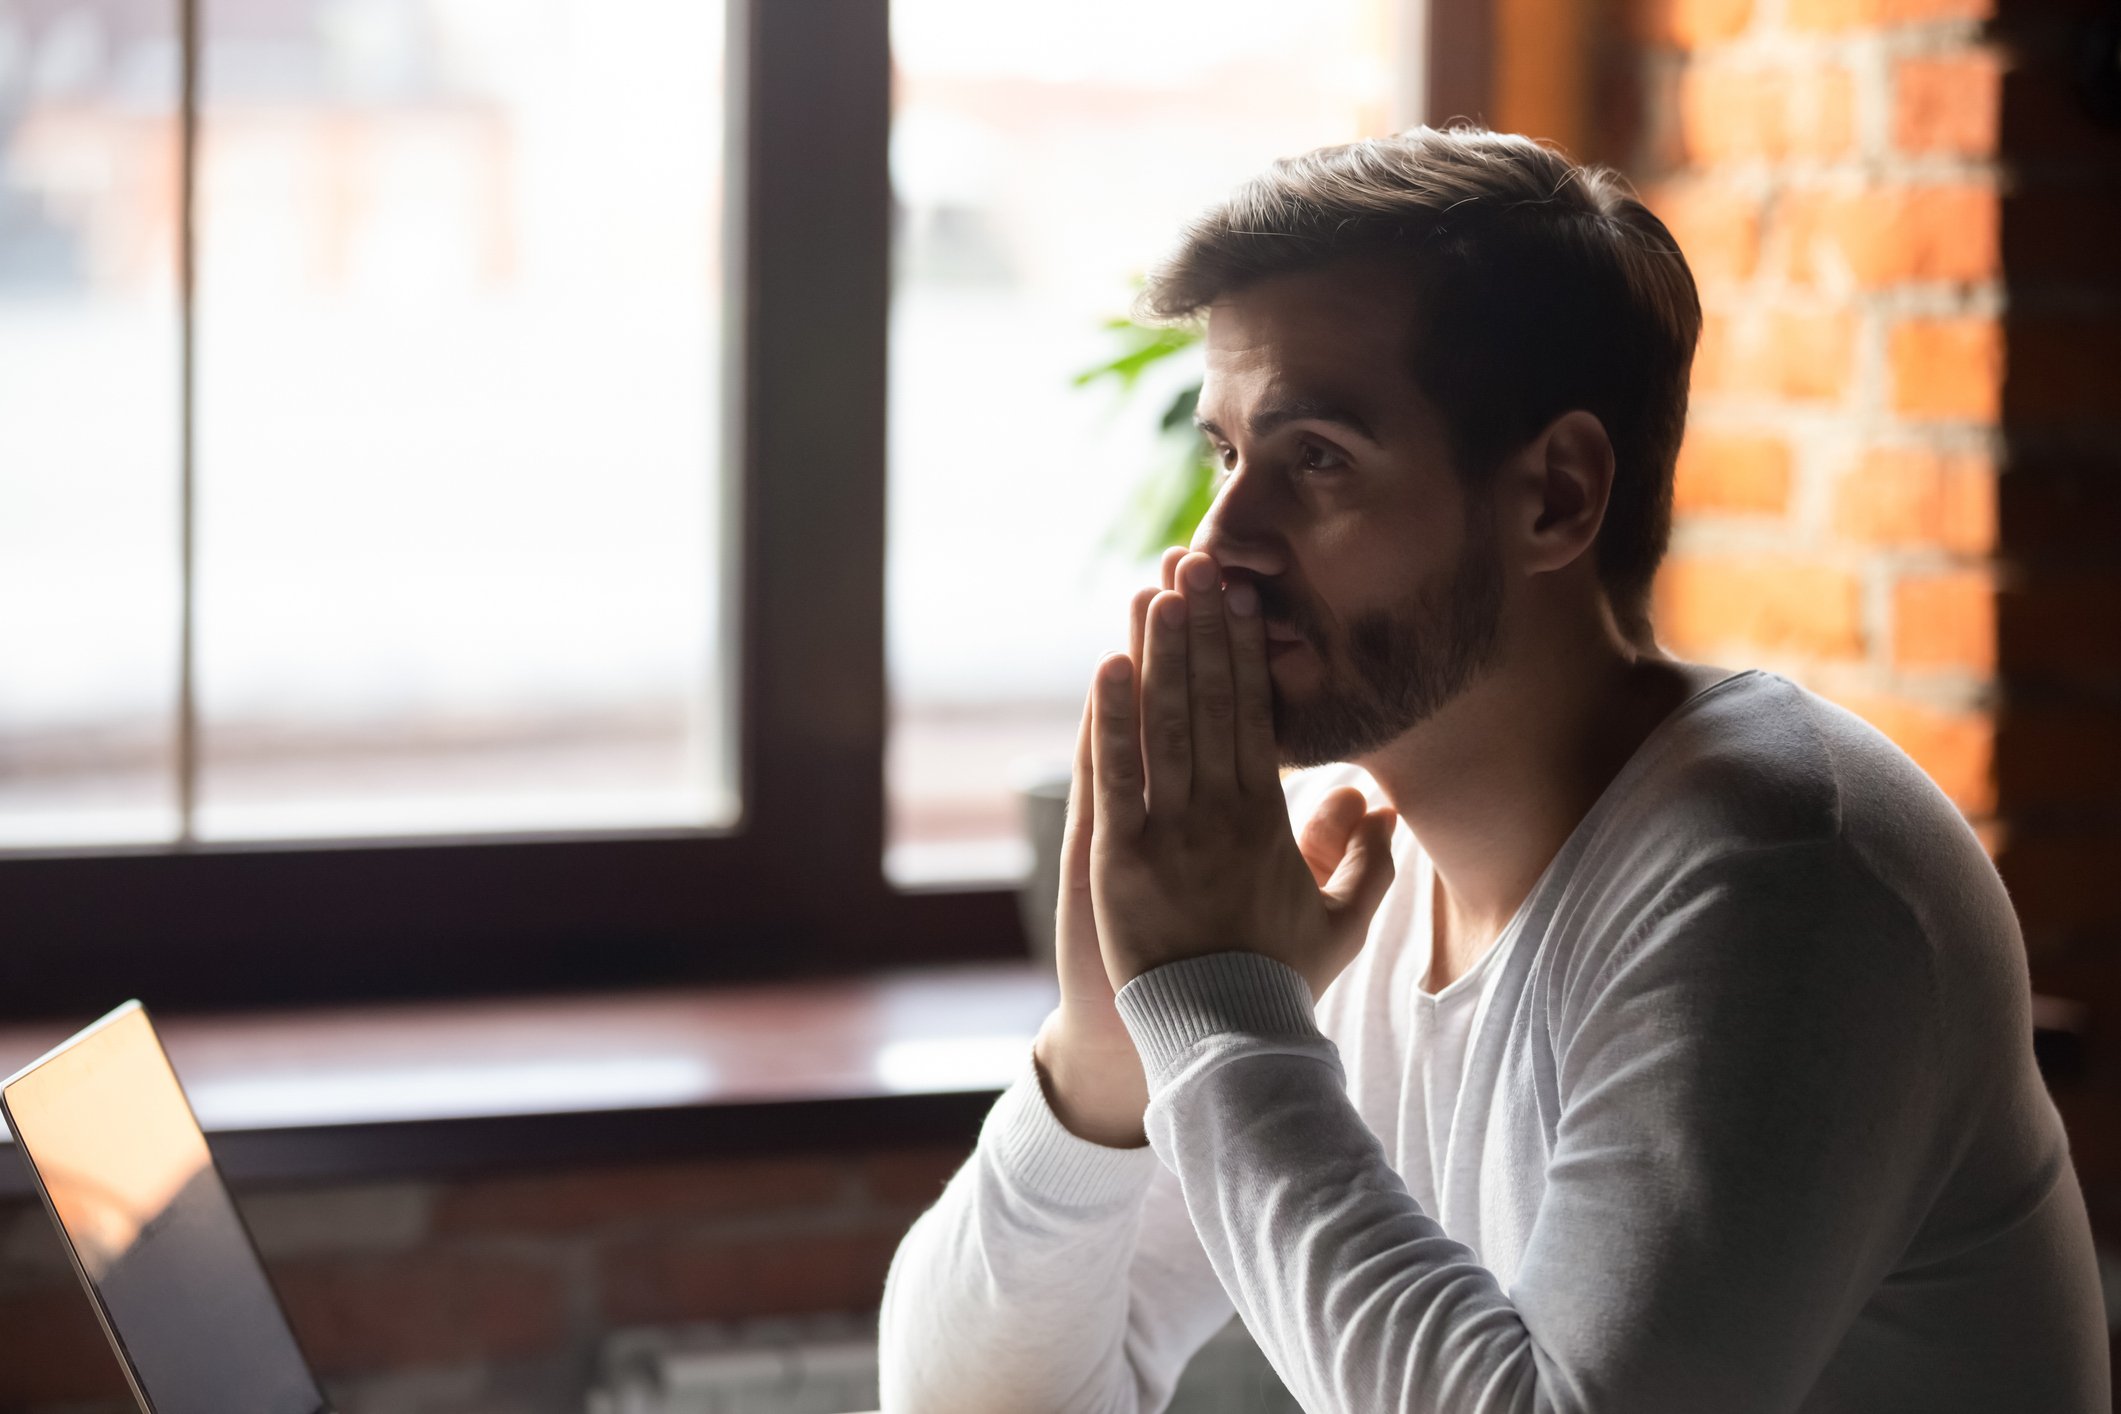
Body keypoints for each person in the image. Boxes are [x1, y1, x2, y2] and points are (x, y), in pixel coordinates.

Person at [875, 125, 2111, 1413]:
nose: (1218, 541)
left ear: (1555, 497)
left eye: (1317, 459)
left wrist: (1217, 1011)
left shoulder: (1788, 874)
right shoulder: (1341, 874)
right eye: (1228, 455)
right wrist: (1102, 1057)